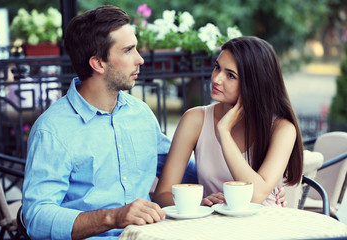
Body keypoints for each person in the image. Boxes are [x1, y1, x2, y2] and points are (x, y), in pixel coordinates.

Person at [22, 5, 196, 239]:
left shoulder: (141, 114)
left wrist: (222, 185)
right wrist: (113, 217)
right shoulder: (52, 130)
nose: (140, 59)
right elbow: (37, 217)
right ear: (98, 64)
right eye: (128, 51)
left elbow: (178, 166)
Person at [153, 36, 303, 208]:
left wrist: (224, 131)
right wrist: (198, 206)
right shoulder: (194, 120)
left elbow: (255, 196)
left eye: (231, 75)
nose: (216, 78)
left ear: (254, 84)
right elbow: (162, 194)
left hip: (265, 227)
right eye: (217, 67)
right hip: (213, 227)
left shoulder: (282, 128)